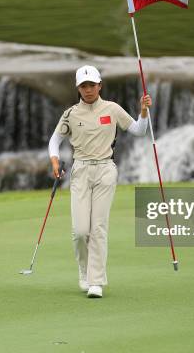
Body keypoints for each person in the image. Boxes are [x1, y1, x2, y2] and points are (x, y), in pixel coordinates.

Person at [48, 65, 151, 298]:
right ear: (78, 88)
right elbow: (54, 141)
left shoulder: (112, 109)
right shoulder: (71, 114)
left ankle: (96, 282)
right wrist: (54, 161)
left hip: (105, 170)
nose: (88, 90)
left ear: (99, 85)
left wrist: (143, 112)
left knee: (98, 228)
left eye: (92, 85)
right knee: (80, 231)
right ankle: (84, 272)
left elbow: (139, 130)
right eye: (83, 86)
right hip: (81, 171)